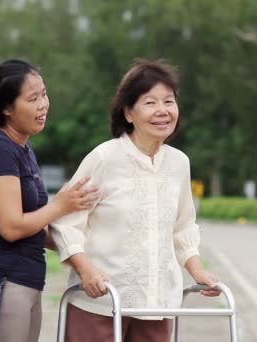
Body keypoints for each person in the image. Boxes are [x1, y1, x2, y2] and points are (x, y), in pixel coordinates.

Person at [51, 59, 221, 342]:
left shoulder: (179, 163)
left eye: (169, 101)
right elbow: (67, 223)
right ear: (128, 112)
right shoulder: (104, 158)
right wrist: (86, 269)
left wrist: (198, 270)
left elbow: (182, 228)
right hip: (101, 303)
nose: (162, 111)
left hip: (157, 305)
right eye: (150, 103)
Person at [0, 59, 99, 342]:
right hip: (2, 283)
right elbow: (11, 228)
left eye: (44, 94)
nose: (43, 104)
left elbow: (38, 227)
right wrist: (61, 205)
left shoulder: (22, 147)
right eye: (33, 98)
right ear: (7, 109)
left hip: (25, 281)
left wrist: (85, 253)